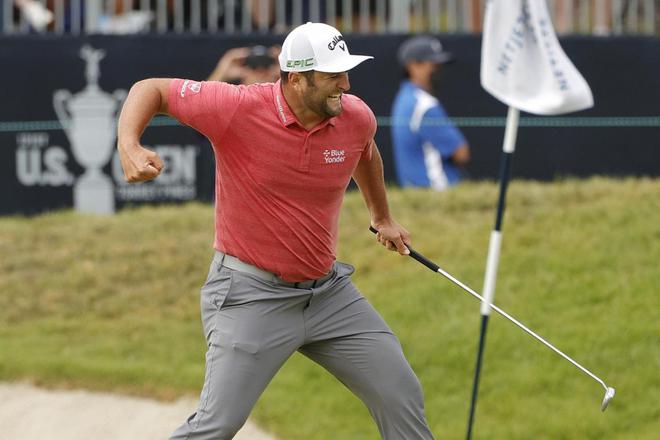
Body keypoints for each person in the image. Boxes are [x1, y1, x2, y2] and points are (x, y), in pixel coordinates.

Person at [117, 22, 435, 440]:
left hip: (328, 296)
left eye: (346, 71)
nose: (346, 83)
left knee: (400, 393)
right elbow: (151, 89)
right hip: (250, 296)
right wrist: (130, 144)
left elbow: (366, 152)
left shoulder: (355, 116)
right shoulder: (236, 107)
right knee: (218, 425)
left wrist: (383, 216)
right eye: (333, 75)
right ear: (298, 78)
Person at [391, 35, 470, 191]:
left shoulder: (404, 98)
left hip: (416, 193)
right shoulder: (425, 105)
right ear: (413, 66)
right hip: (438, 191)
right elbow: (461, 153)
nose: (438, 71)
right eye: (433, 65)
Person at [206, 45, 280, 85]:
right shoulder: (232, 101)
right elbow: (204, 102)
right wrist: (221, 74)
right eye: (253, 65)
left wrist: (287, 71)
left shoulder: (283, 105)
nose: (260, 71)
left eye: (266, 64)